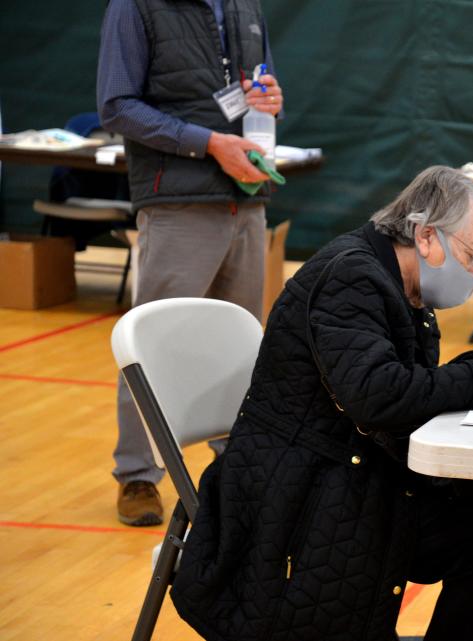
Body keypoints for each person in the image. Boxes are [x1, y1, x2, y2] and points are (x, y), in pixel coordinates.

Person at [168, 166, 473, 641]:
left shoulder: (404, 290)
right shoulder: (350, 276)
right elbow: (378, 397)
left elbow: (406, 390)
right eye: (470, 255)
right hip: (298, 494)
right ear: (425, 236)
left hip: (348, 474)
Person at [96, 0, 285, 525]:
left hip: (246, 201)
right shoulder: (135, 7)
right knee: (149, 347)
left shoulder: (246, 6)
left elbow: (258, 94)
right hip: (176, 202)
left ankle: (236, 473)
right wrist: (207, 144)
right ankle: (137, 475)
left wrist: (269, 103)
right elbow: (116, 105)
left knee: (241, 349)